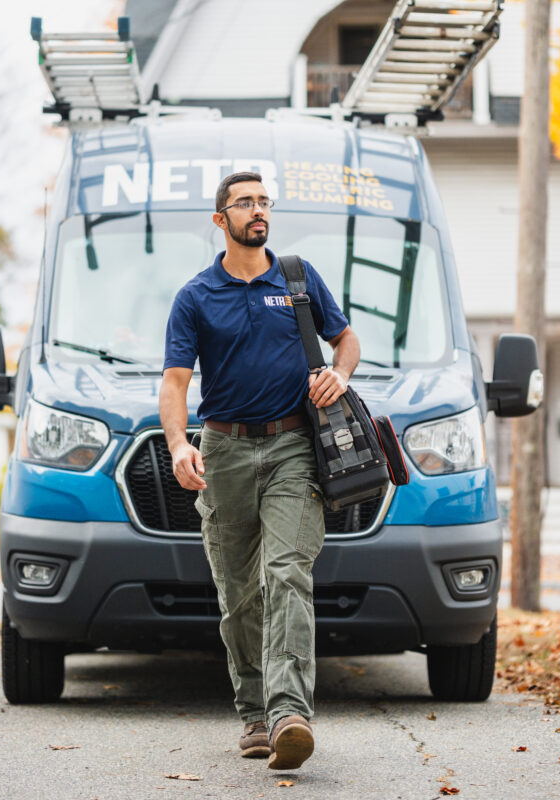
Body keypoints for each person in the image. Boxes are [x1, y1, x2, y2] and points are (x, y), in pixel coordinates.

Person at [159, 171, 360, 771]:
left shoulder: (297, 278)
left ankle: (289, 714)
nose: (258, 210)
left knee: (287, 572)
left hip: (294, 446)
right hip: (223, 452)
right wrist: (178, 445)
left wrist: (340, 374)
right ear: (220, 219)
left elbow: (345, 339)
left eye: (264, 201)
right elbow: (175, 381)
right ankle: (253, 713)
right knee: (239, 594)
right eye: (244, 202)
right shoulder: (196, 296)